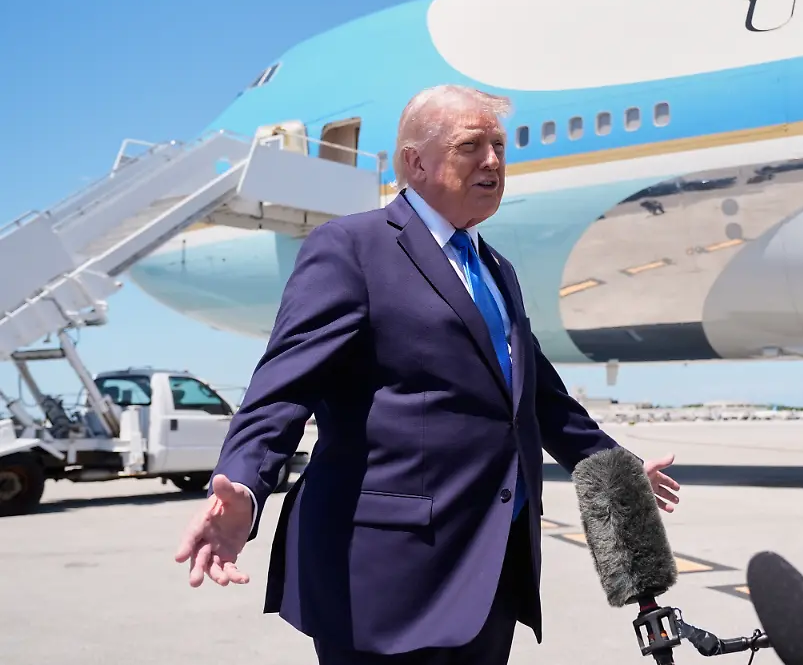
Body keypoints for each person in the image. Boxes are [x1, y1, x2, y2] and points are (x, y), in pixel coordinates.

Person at [172, 84, 682, 665]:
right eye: (471, 146)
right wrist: (244, 484)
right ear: (415, 162)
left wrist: (617, 468)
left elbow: (536, 398)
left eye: (498, 144)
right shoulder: (351, 248)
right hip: (385, 574)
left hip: (489, 568)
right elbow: (285, 387)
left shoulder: (495, 269)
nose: (492, 160)